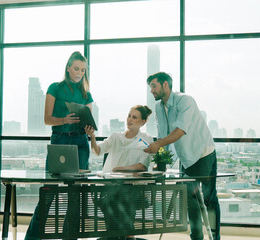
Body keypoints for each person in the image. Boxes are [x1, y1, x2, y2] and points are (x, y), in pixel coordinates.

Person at [25, 51, 94, 240]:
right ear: (68, 68)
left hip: (81, 142)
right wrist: (64, 119)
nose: (79, 73)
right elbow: (47, 119)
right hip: (60, 140)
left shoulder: (86, 93)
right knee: (49, 193)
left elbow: (89, 118)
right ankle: (32, 238)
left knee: (75, 196)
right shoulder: (54, 88)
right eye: (76, 68)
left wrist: (89, 129)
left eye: (83, 70)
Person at [144, 72, 220, 240]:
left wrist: (157, 145)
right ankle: (197, 237)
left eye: (154, 86)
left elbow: (180, 131)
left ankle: (216, 237)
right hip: (186, 158)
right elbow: (163, 134)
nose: (151, 91)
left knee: (208, 200)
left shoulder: (185, 101)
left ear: (165, 85)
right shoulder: (158, 107)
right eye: (150, 87)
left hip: (203, 154)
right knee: (191, 200)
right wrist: (160, 162)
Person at [85, 105, 153, 240]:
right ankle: (125, 234)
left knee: (120, 198)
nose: (130, 120)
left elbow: (142, 166)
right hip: (111, 186)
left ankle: (119, 234)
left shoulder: (144, 139)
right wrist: (92, 136)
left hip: (132, 187)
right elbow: (98, 150)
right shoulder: (116, 137)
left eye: (134, 117)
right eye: (129, 116)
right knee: (115, 198)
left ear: (143, 122)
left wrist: (120, 168)